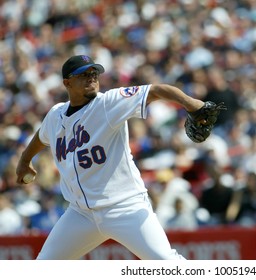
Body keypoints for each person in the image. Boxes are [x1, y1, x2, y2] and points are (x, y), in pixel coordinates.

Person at [15, 55, 209, 260]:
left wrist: (192, 104)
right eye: (84, 75)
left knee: (166, 262)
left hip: (124, 207)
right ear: (67, 82)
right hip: (81, 214)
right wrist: (24, 161)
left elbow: (155, 90)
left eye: (94, 73)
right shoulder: (55, 115)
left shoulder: (108, 104)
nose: (91, 78)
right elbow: (41, 136)